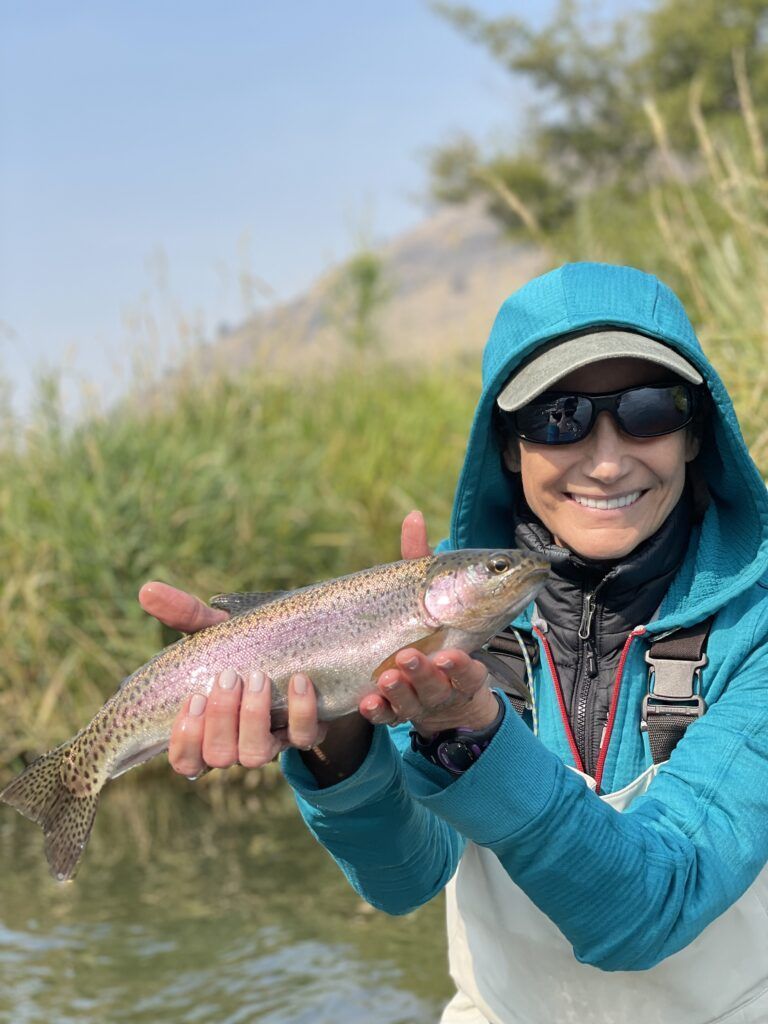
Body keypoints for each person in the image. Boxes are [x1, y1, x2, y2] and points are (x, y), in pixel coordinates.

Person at [140, 262, 768, 1024]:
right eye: (557, 416)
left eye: (647, 410)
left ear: (697, 432)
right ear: (507, 445)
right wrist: (338, 738)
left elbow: (652, 910)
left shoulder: (758, 624)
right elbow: (405, 877)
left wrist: (479, 737)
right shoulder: (451, 618)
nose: (606, 459)